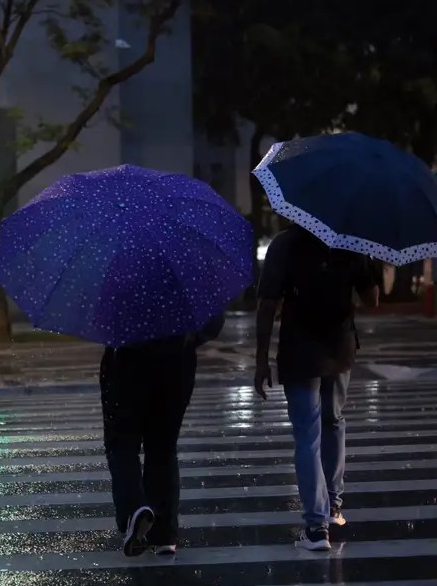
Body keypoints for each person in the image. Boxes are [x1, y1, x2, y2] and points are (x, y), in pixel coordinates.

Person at [254, 224, 379, 552]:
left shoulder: (284, 245)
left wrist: (260, 360)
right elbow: (372, 299)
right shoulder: (350, 241)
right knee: (333, 420)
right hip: (339, 348)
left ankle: (315, 527)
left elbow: (267, 303)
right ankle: (333, 506)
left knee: (307, 435)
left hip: (299, 350)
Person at [101, 313, 225, 557]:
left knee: (122, 445)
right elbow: (214, 319)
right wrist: (187, 338)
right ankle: (164, 532)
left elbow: (100, 319)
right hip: (177, 362)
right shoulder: (187, 278)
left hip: (128, 360)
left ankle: (134, 511)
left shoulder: (119, 278)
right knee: (163, 446)